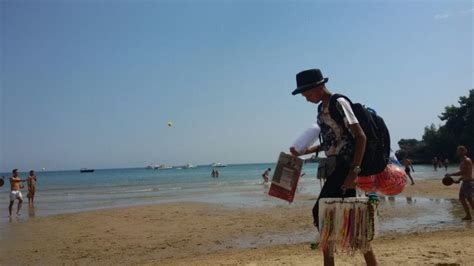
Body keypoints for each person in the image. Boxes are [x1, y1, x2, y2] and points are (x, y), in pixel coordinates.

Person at [290, 69, 377, 266]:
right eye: (304, 96)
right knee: (346, 219)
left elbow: (360, 137)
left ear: (320, 86)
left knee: (324, 215)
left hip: (346, 167)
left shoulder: (339, 103)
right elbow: (331, 142)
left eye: (308, 94)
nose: (307, 99)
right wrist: (303, 151)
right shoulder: (322, 109)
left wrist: (354, 172)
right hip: (336, 167)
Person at [445, 146, 473, 220]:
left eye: (460, 151)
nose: (458, 152)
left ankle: (469, 215)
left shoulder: (467, 160)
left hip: (468, 182)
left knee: (468, 199)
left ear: (464, 151)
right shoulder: (463, 160)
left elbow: (463, 172)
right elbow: (465, 173)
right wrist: (460, 179)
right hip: (465, 181)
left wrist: (451, 174)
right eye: (458, 151)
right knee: (463, 198)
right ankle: (468, 215)